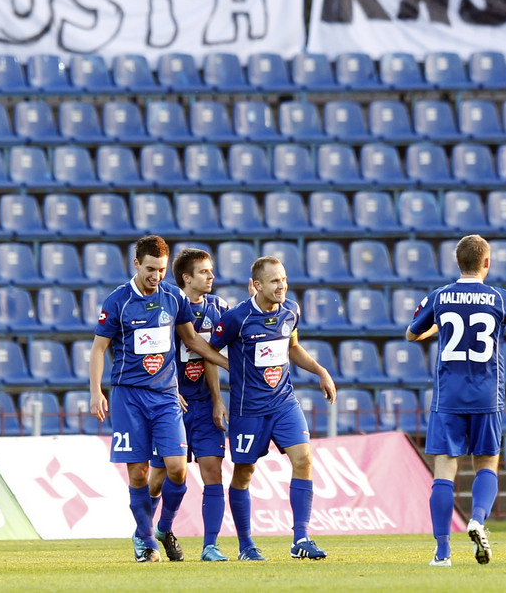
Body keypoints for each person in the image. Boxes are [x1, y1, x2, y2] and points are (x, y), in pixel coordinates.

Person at [406, 234, 506, 567]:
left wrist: (437, 328)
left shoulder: (440, 296)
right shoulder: (498, 297)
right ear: (487, 262)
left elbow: (412, 333)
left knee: (444, 469)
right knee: (486, 463)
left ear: (457, 262)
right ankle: (478, 519)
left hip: (448, 395)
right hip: (487, 394)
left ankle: (442, 552)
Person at [89, 235, 230, 563]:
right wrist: (96, 391)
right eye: (150, 269)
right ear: (136, 264)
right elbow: (98, 348)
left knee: (178, 469)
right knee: (138, 472)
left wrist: (230, 365)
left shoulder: (173, 297)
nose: (156, 276)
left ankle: (163, 527)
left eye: (162, 269)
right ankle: (146, 540)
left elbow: (193, 341)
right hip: (129, 395)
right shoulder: (118, 301)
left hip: (167, 395)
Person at [208, 256, 337, 561]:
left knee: (304, 458)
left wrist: (320, 371)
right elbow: (207, 351)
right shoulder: (236, 319)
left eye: (284, 279)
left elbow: (292, 347)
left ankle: (301, 537)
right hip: (248, 409)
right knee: (244, 473)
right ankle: (245, 545)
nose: (281, 286)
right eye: (274, 281)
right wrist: (227, 379)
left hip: (283, 402)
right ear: (257, 285)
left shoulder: (291, 311)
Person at [141, 248, 231, 562]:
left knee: (213, 472)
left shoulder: (218, 307)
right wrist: (166, 388)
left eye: (211, 271)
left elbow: (212, 352)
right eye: (204, 272)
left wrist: (218, 400)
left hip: (204, 405)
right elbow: (153, 352)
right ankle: (149, 536)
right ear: (186, 278)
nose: (211, 277)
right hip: (170, 403)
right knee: (160, 476)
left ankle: (210, 546)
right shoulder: (166, 306)